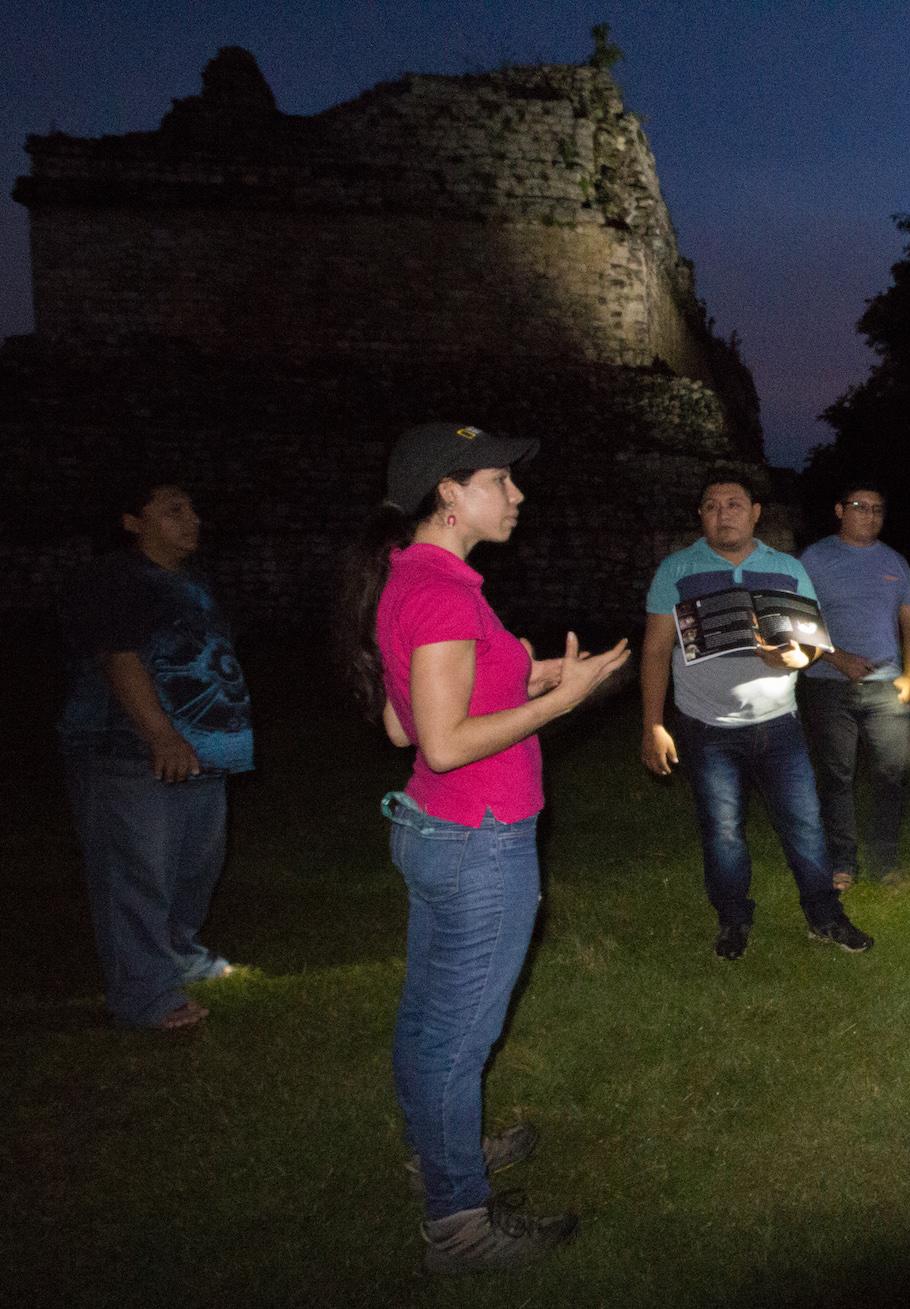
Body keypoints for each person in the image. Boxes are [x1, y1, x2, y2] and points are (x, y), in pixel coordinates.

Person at [334, 421, 629, 1272]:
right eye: (502, 480)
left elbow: (402, 717)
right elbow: (443, 739)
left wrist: (538, 672)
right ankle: (458, 1224)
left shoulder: (417, 577)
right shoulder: (443, 591)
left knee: (429, 1017)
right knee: (459, 1036)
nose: (518, 494)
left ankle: (440, 1152)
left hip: (435, 830)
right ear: (450, 493)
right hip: (478, 839)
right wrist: (561, 703)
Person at [639, 474, 875, 960]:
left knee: (805, 826)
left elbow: (811, 644)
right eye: (711, 506)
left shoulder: (787, 568)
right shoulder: (676, 570)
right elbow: (657, 649)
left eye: (734, 503)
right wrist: (653, 724)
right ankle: (733, 920)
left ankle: (825, 918)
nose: (723, 513)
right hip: (706, 730)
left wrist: (793, 659)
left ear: (756, 512)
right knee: (723, 832)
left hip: (779, 725)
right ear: (700, 516)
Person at [57, 477, 252, 1032]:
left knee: (195, 867)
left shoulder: (189, 582)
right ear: (131, 522)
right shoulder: (118, 580)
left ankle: (179, 954)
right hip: (129, 751)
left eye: (191, 507)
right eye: (171, 510)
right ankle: (145, 995)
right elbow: (120, 659)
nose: (191, 518)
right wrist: (160, 736)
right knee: (136, 873)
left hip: (201, 754)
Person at [797, 479, 910, 888]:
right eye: (860, 506)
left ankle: (885, 862)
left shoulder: (894, 562)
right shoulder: (814, 559)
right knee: (837, 774)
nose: (870, 515)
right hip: (826, 682)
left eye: (877, 509)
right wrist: (837, 658)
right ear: (839, 510)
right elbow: (797, 623)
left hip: (886, 684)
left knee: (894, 768)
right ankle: (842, 862)